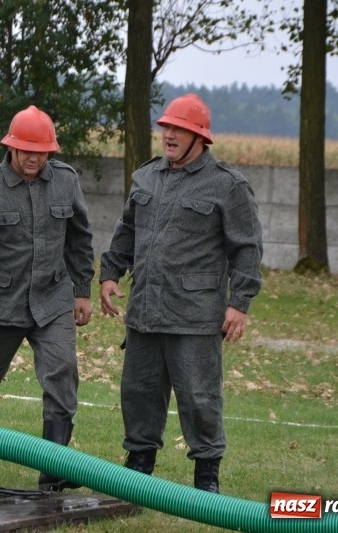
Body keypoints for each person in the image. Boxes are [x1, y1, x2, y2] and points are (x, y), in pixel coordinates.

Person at [99, 93, 263, 494]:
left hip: (195, 314)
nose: (169, 135)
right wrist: (110, 273)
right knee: (138, 393)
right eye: (166, 128)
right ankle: (138, 470)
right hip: (145, 309)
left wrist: (239, 303)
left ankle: (206, 478)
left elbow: (247, 248)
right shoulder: (146, 176)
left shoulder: (227, 185)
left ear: (200, 137)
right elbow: (126, 229)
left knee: (199, 398)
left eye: (179, 129)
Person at [0, 105, 95, 491]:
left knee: (62, 373)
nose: (34, 159)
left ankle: (54, 469)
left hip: (52, 299)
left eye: (42, 152)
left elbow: (80, 238)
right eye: (27, 150)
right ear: (10, 147)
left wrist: (82, 291)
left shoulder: (66, 181)